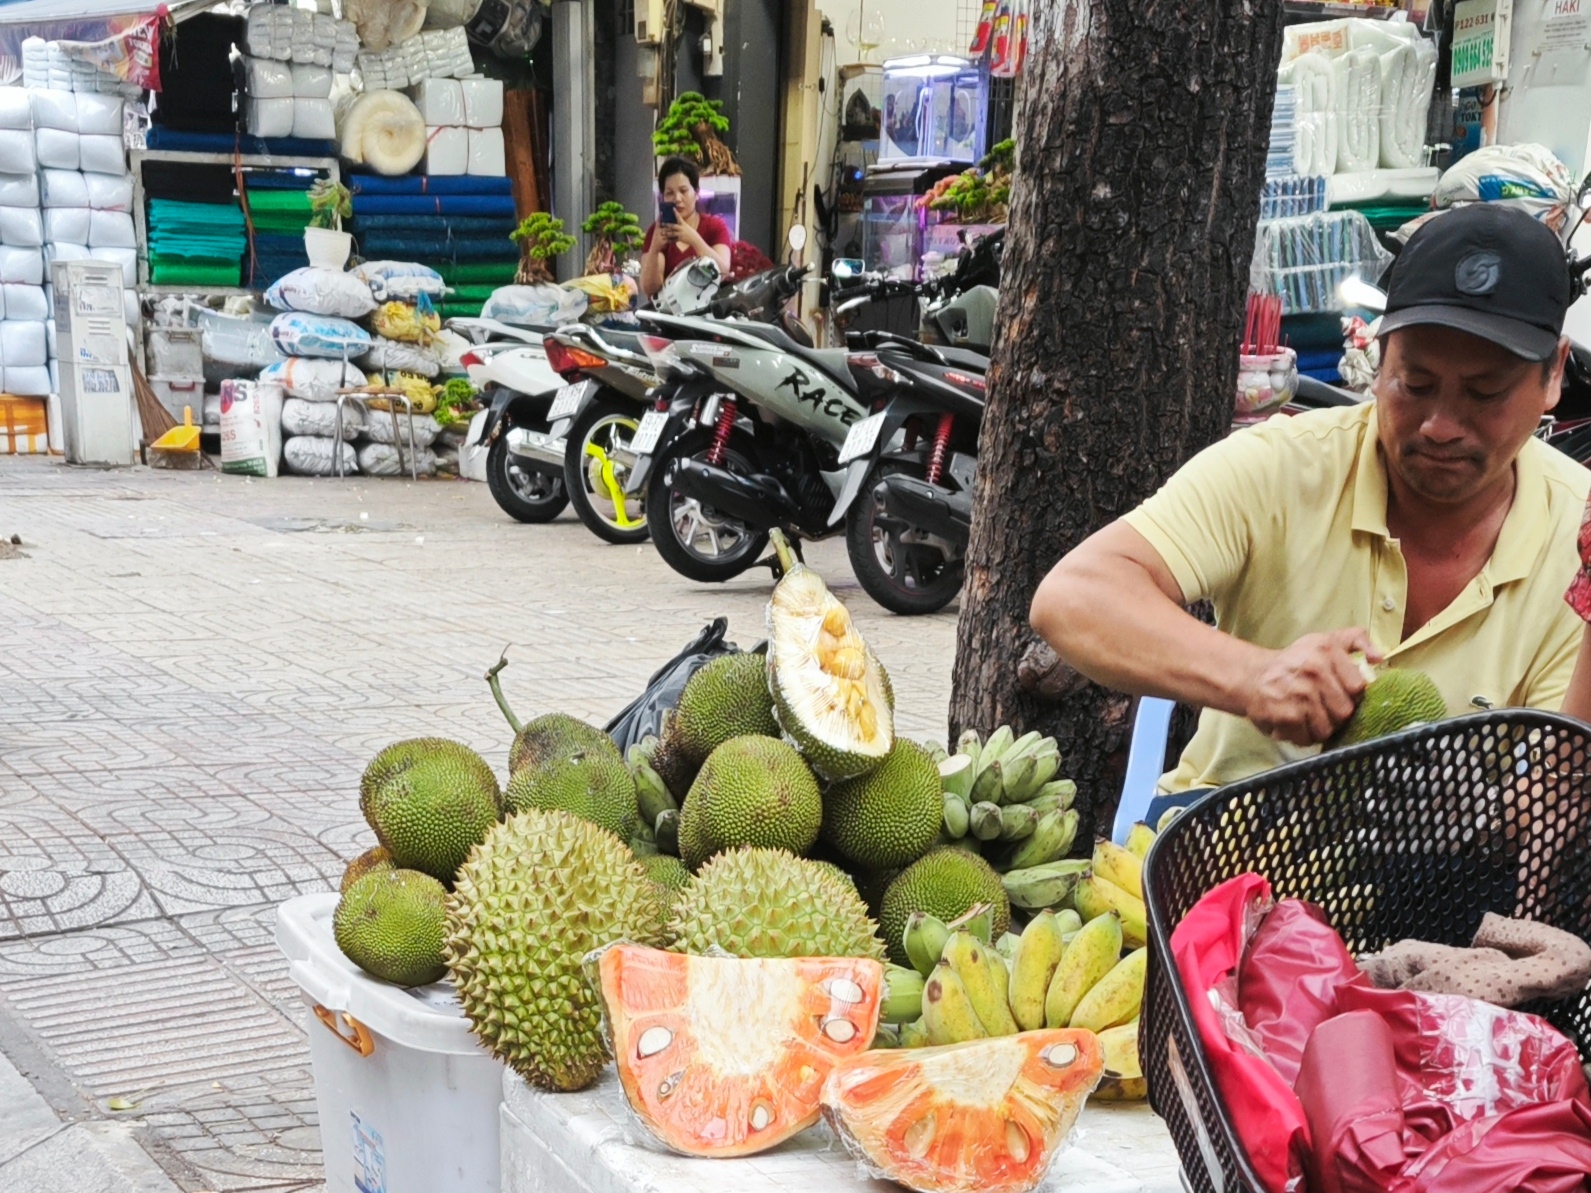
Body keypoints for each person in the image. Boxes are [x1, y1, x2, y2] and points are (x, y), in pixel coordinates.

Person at [1030, 203, 1585, 801]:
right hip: (1227, 839)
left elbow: (1562, 778)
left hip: (1447, 874)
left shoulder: (1578, 531)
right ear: (1377, 357)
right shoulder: (1283, 466)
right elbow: (1073, 598)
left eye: (1484, 393)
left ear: (1553, 375)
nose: (1440, 426)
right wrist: (1253, 676)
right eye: (1415, 384)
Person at [640, 157, 732, 300]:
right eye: (669, 193)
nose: (677, 198)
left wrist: (694, 239)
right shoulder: (656, 231)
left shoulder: (715, 226)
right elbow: (649, 289)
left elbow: (723, 273)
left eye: (683, 191)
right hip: (666, 316)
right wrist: (654, 249)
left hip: (706, 316)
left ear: (696, 193)